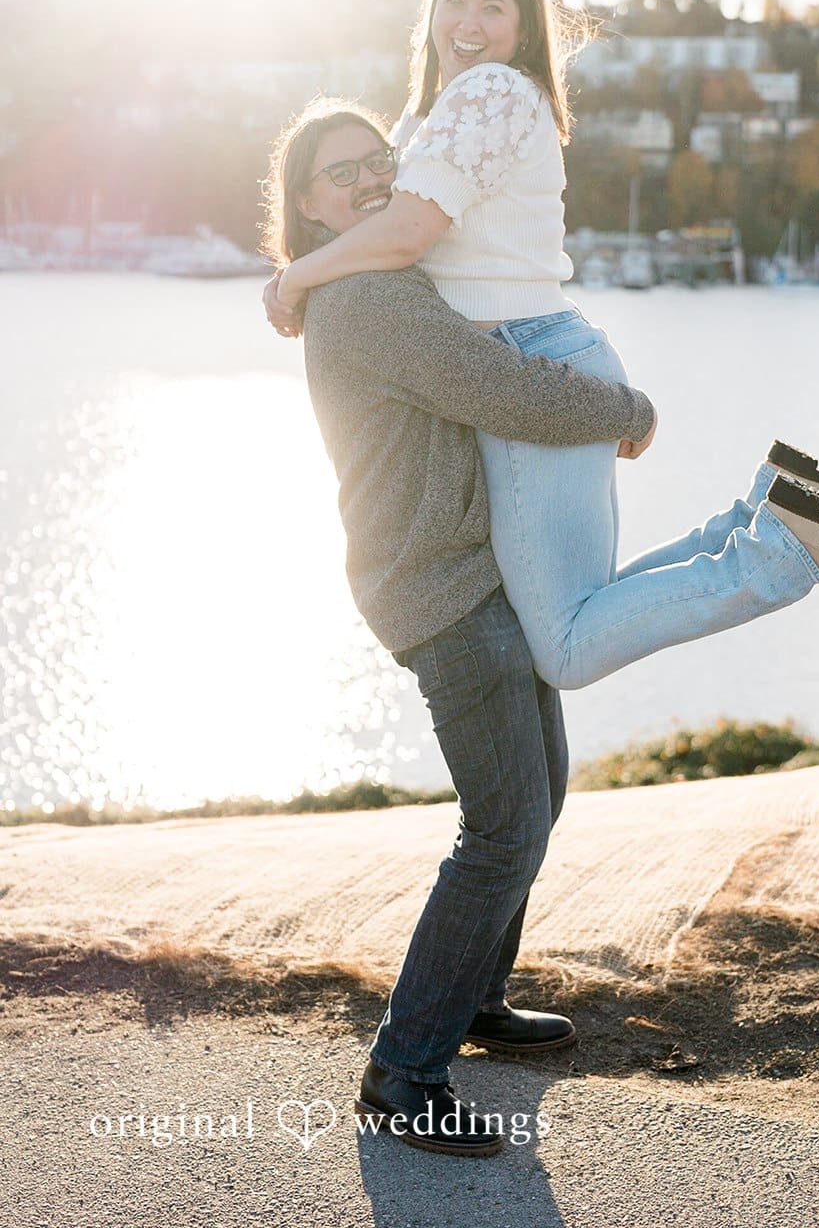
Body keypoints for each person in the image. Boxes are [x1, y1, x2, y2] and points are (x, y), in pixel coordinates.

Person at [264, 0, 819, 695]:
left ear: (525, 28)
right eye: (454, 0)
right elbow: (395, 230)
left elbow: (408, 232)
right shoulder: (443, 110)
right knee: (585, 608)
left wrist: (295, 279)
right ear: (431, 11)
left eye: (493, 6)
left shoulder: (490, 92)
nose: (468, 22)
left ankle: (788, 549)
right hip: (534, 344)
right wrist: (301, 278)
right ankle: (773, 509)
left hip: (519, 353)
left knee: (568, 647)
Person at [262, 98, 659, 1156]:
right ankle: (404, 1068)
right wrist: (625, 411)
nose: (365, 179)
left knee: (544, 791)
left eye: (376, 161)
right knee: (502, 827)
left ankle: (473, 999)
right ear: (305, 206)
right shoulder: (365, 301)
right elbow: (499, 388)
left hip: (478, 574)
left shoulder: (386, 280)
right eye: (338, 173)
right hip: (436, 587)